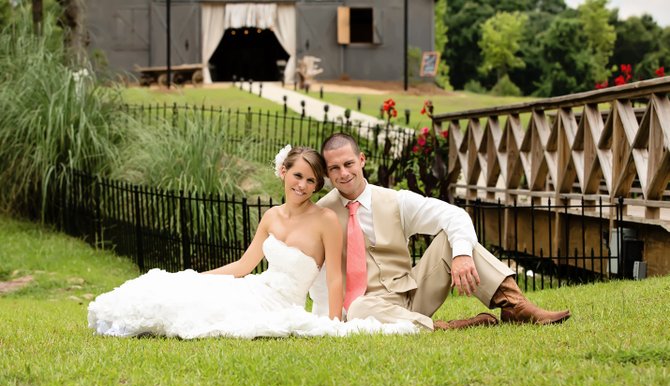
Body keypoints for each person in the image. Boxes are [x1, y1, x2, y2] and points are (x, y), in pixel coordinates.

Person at [88, 146, 418, 339]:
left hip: (281, 304)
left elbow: (334, 276)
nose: (302, 185)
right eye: (297, 176)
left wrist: (332, 323)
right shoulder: (271, 216)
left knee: (205, 314)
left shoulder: (325, 221)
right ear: (284, 173)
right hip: (254, 288)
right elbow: (245, 265)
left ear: (317, 185)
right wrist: (196, 278)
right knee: (184, 293)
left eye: (311, 180)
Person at [309, 133, 571, 330]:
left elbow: (453, 215)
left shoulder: (395, 201)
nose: (343, 173)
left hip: (411, 295)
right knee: (357, 309)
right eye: (334, 168)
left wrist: (461, 256)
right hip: (367, 309)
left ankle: (516, 306)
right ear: (327, 172)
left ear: (362, 160)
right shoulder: (322, 213)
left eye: (348, 164)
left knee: (453, 239)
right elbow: (311, 270)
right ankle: (445, 327)